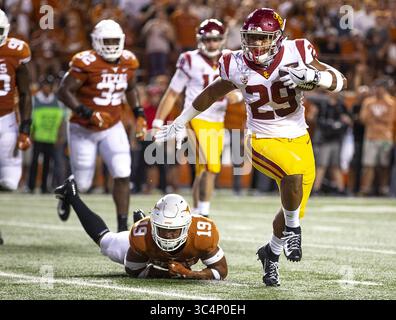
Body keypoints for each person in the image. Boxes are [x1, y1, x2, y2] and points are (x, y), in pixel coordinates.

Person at [155, 8, 346, 286]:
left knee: (292, 204)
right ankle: (294, 231)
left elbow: (340, 80)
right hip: (260, 139)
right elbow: (211, 93)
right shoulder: (235, 63)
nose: (256, 44)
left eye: (263, 38)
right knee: (292, 183)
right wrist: (181, 120)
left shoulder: (298, 52)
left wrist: (315, 78)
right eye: (251, 37)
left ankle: (271, 253)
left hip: (299, 138)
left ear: (278, 38)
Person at [57, 19, 147, 231]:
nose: (111, 45)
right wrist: (87, 113)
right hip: (83, 128)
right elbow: (63, 91)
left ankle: (123, 228)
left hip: (112, 126)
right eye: (106, 41)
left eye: (115, 41)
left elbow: (131, 89)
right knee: (84, 184)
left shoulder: (128, 61)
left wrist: (139, 114)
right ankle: (67, 190)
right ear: (96, 41)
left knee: (123, 172)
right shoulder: (85, 62)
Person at [54, 176, 228, 280]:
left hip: (156, 247)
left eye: (174, 230)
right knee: (107, 244)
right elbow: (134, 271)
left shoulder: (203, 233)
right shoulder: (142, 236)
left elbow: (221, 271)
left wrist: (188, 274)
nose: (168, 236)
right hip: (148, 249)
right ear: (153, 225)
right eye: (162, 229)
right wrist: (168, 273)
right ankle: (72, 195)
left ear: (186, 227)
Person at [153, 19, 229, 217]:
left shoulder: (230, 59)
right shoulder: (189, 59)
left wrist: (237, 94)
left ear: (222, 40)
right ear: (200, 39)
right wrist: (158, 122)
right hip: (194, 118)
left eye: (216, 39)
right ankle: (203, 214)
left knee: (207, 169)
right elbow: (172, 93)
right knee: (208, 165)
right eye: (208, 39)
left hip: (217, 120)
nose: (212, 44)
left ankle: (198, 212)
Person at [0, 9, 32, 244]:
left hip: (7, 119)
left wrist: (25, 128)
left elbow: (25, 92)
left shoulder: (16, 51)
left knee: (9, 182)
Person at [28, 76, 65, 194]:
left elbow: (61, 120)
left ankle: (44, 186)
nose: (47, 88)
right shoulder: (35, 99)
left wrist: (60, 136)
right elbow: (31, 118)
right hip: (38, 136)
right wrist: (30, 133)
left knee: (48, 163)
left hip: (51, 137)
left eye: (49, 86)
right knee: (34, 162)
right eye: (45, 85)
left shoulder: (57, 101)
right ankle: (31, 186)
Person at [359, 78, 396, 196]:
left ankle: (383, 189)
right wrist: (380, 118)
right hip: (370, 136)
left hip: (386, 138)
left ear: (384, 89)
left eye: (378, 87)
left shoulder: (392, 102)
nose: (376, 90)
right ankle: (366, 189)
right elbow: (363, 118)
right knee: (368, 164)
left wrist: (375, 118)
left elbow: (391, 119)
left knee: (384, 165)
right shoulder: (368, 102)